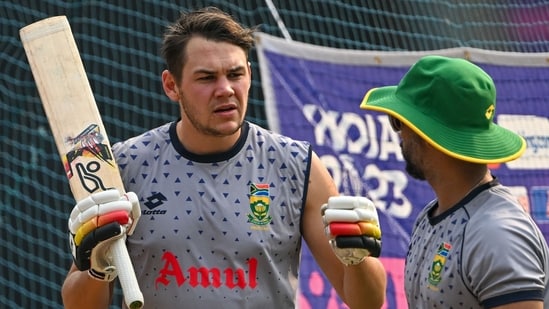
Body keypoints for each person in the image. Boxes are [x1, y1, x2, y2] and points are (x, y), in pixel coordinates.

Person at [60, 7, 386, 309]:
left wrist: (358, 258)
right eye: (207, 78)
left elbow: (367, 302)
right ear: (172, 86)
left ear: (249, 75)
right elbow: (77, 303)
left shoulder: (296, 165)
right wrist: (97, 269)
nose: (226, 89)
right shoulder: (126, 164)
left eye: (235, 74)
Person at [360, 55, 549, 308]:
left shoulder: (496, 233)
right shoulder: (432, 216)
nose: (399, 135)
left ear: (426, 133)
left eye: (398, 122)